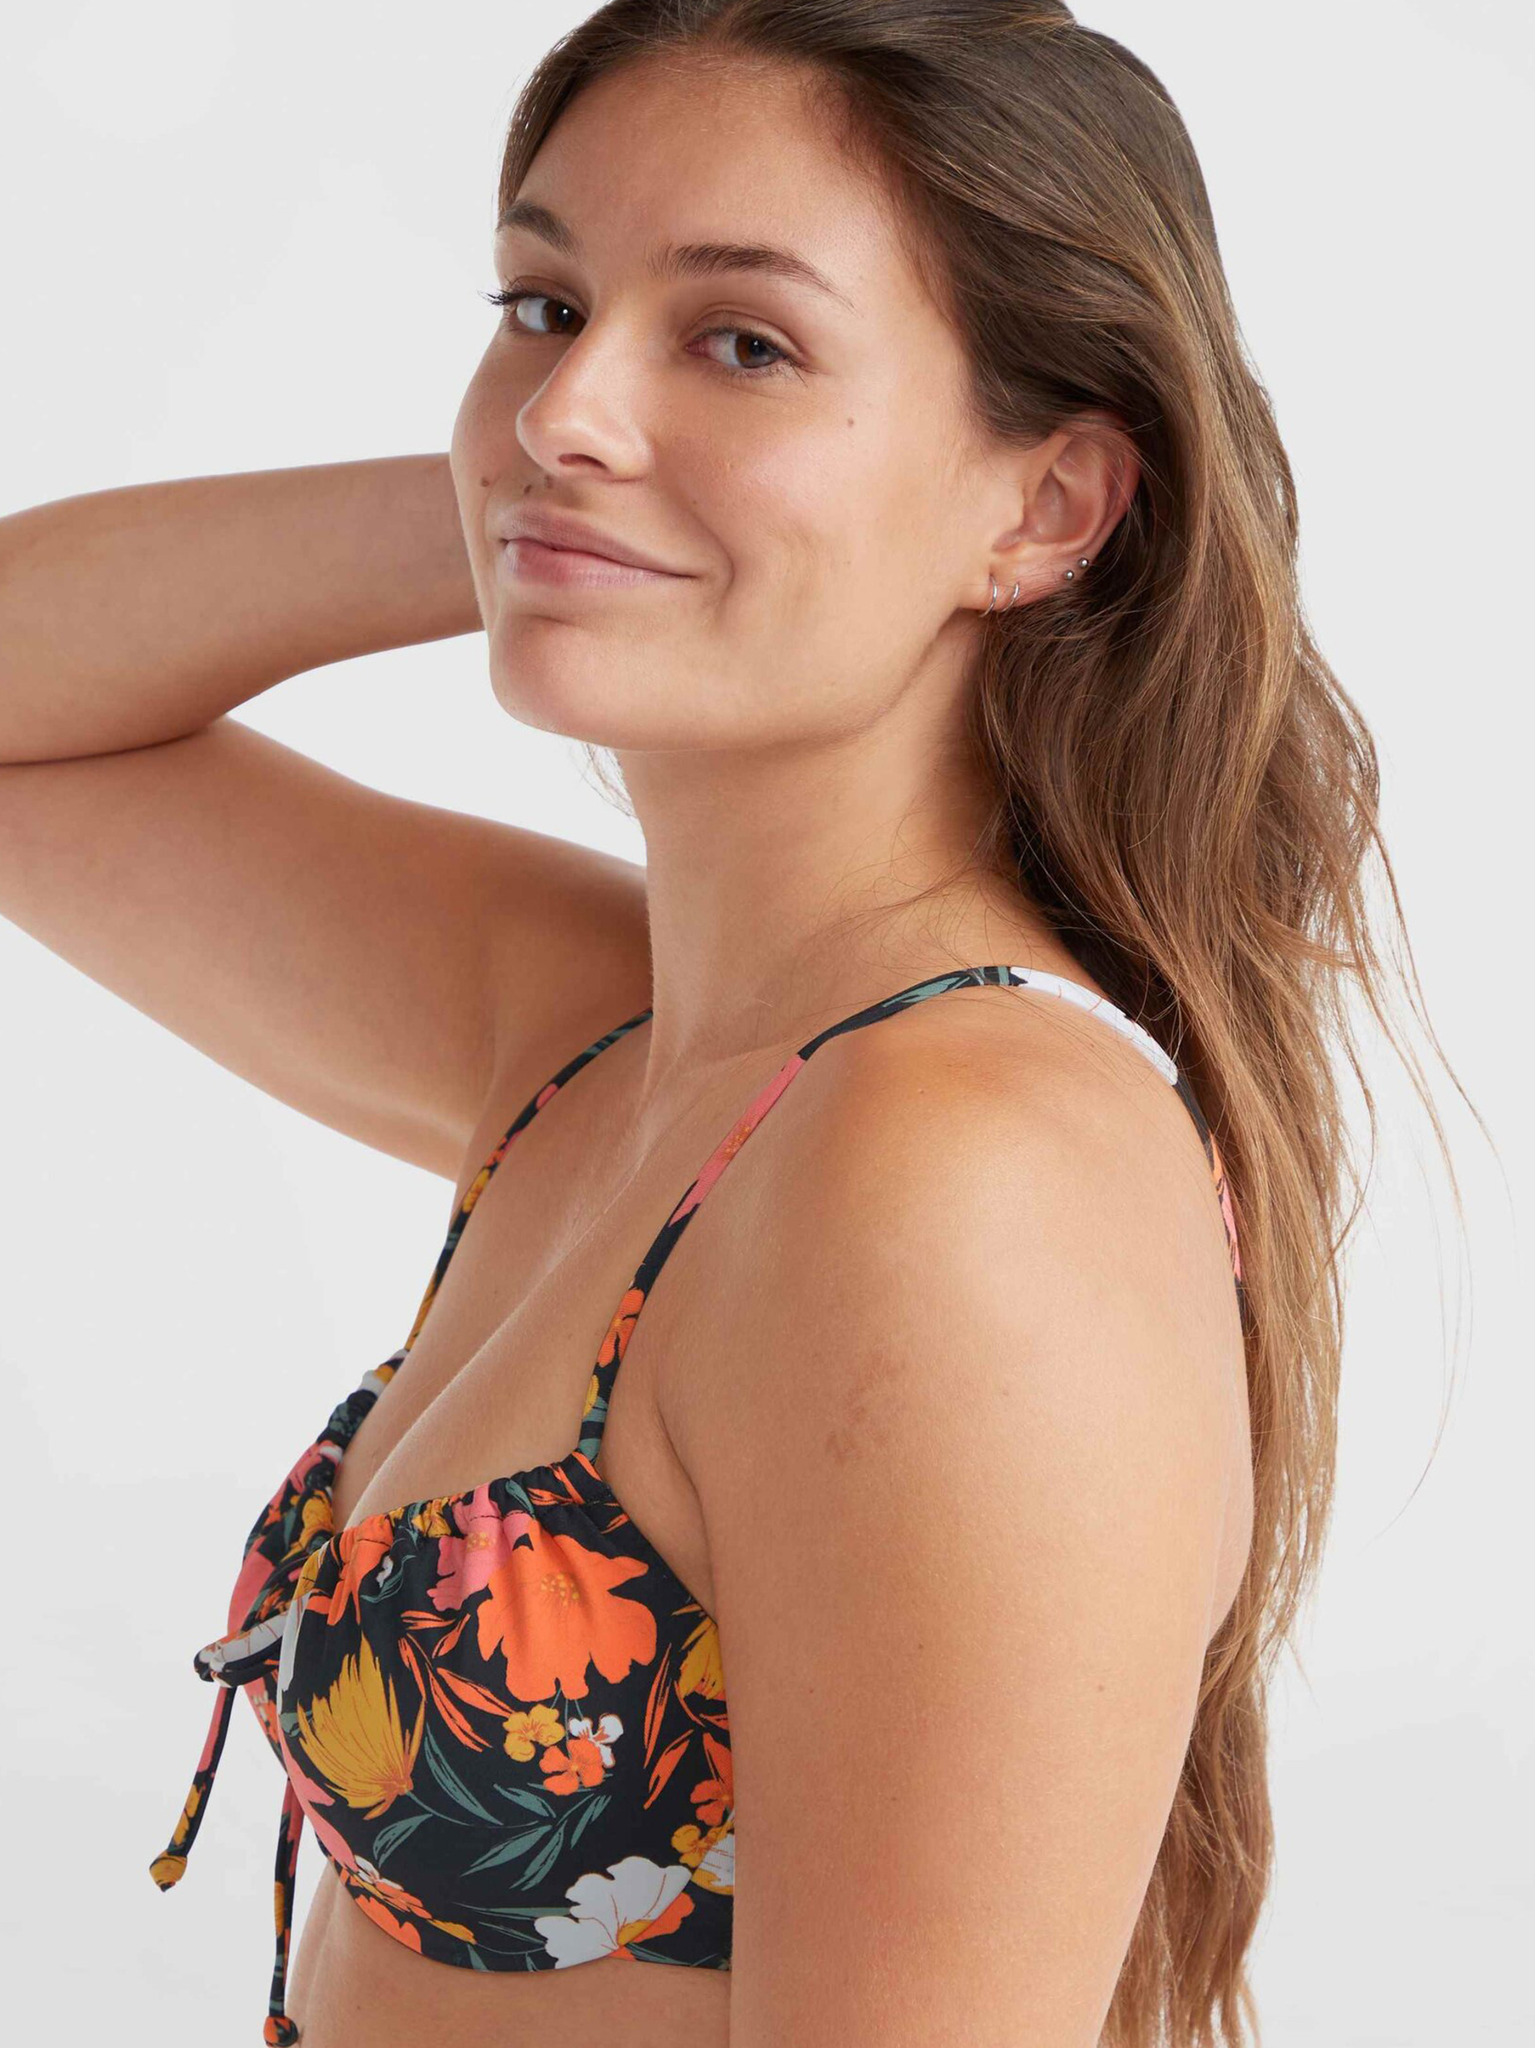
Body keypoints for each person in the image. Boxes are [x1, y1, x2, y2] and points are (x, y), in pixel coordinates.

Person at [0, 4, 1458, 2045]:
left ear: (1047, 508)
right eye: (543, 304)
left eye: (746, 342)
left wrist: (618, 494)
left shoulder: (961, 1177)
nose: (569, 399)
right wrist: (557, 493)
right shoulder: (617, 1041)